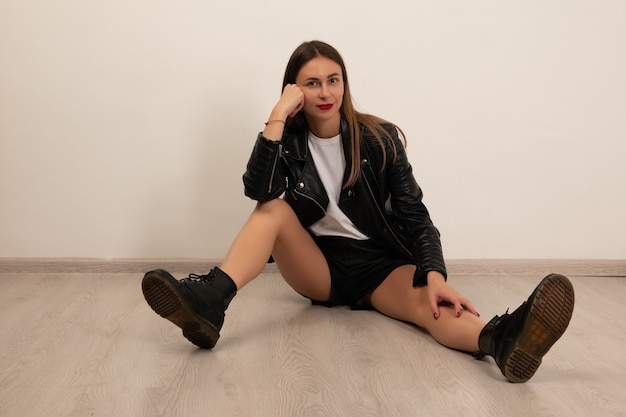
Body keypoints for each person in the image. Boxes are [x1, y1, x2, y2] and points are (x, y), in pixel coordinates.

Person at [141, 40, 575, 383]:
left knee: (432, 305)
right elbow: (257, 190)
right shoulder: (288, 141)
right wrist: (276, 117)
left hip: (381, 267)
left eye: (334, 79)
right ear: (294, 91)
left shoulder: (379, 139)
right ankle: (211, 301)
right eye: (312, 83)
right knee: (271, 210)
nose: (325, 92)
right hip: (320, 267)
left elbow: (415, 214)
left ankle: (503, 340)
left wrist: (435, 274)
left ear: (345, 83)